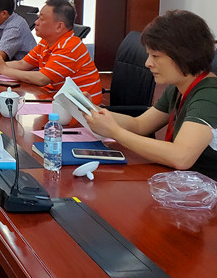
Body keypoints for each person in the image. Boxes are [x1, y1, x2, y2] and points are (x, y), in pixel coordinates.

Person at [87, 10, 217, 179]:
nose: (148, 63)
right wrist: (91, 109)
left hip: (206, 190)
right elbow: (140, 124)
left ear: (184, 56)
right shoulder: (179, 86)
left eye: (155, 56)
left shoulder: (209, 95)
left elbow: (181, 157)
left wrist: (115, 132)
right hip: (185, 183)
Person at [0, 0, 102, 104]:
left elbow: (42, 78)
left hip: (81, 107)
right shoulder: (46, 42)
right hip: (57, 99)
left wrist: (3, 69)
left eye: (41, 18)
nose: (36, 22)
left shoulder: (69, 46)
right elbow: (23, 64)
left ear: (59, 26)